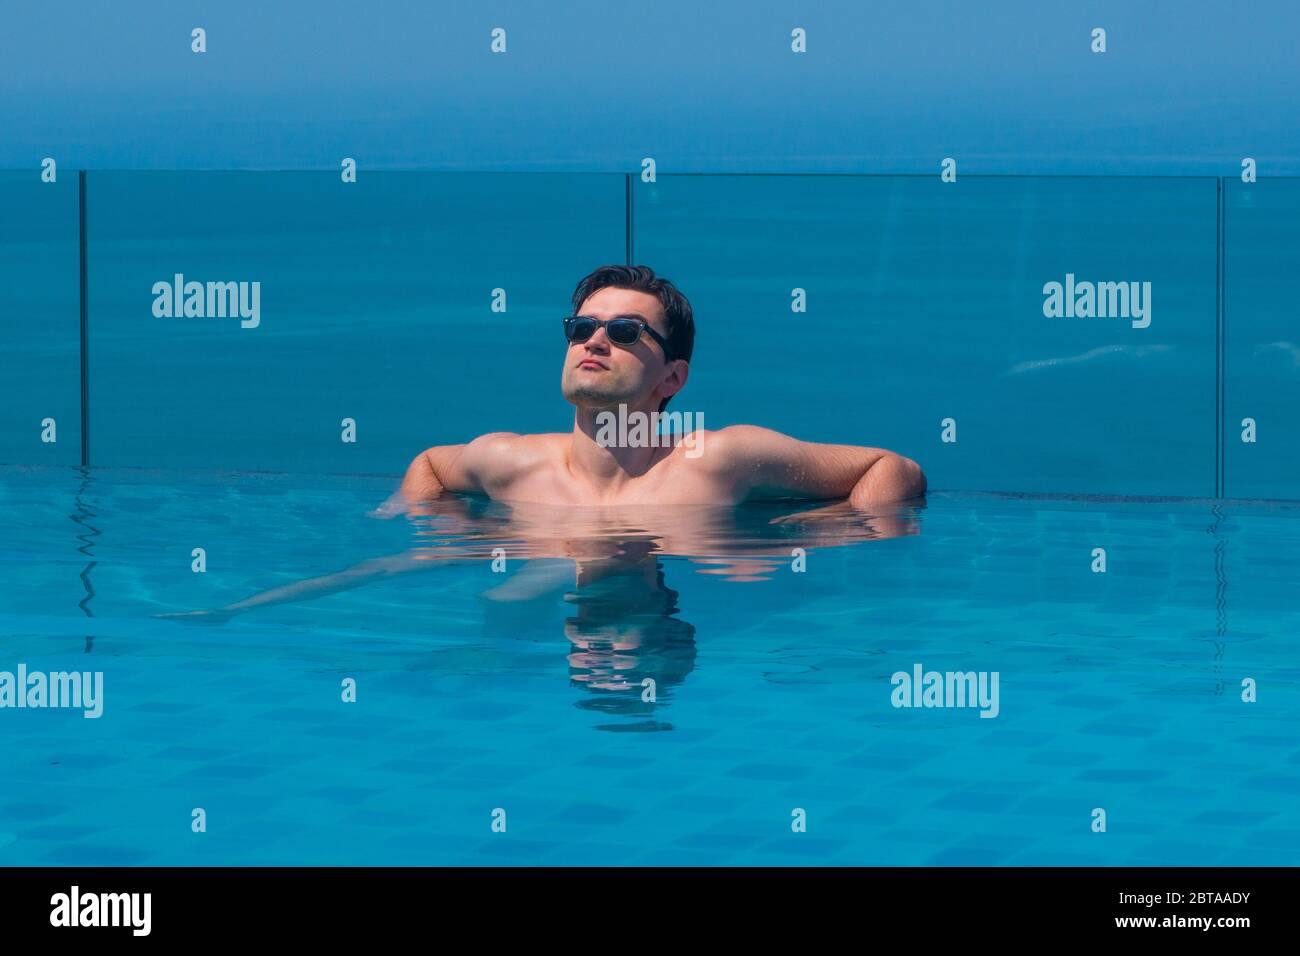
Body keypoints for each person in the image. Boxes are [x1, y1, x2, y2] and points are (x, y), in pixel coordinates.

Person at [378, 264, 925, 515]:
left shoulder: (716, 460)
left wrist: (811, 535)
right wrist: (442, 532)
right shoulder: (510, 462)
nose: (594, 341)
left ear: (673, 378)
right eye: (581, 328)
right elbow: (428, 465)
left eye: (623, 333)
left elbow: (891, 468)